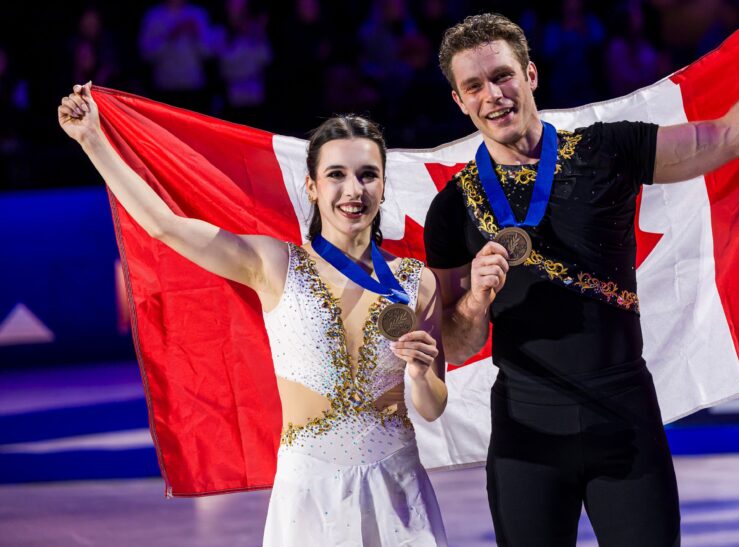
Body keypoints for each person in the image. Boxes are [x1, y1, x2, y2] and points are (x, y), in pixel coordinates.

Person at [424, 0, 739, 546]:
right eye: (474, 86)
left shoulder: (606, 150)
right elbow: (456, 343)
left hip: (624, 419)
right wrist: (474, 299)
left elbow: (731, 138)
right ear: (459, 101)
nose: (493, 94)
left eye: (502, 76)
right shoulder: (451, 209)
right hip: (527, 438)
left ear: (531, 76)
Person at [57, 84, 449, 547]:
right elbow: (165, 225)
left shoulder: (417, 282)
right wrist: (92, 141)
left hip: (398, 489)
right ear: (312, 186)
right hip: (309, 490)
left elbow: (431, 404)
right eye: (336, 175)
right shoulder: (273, 264)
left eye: (367, 175)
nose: (353, 190)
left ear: (384, 185)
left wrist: (421, 374)